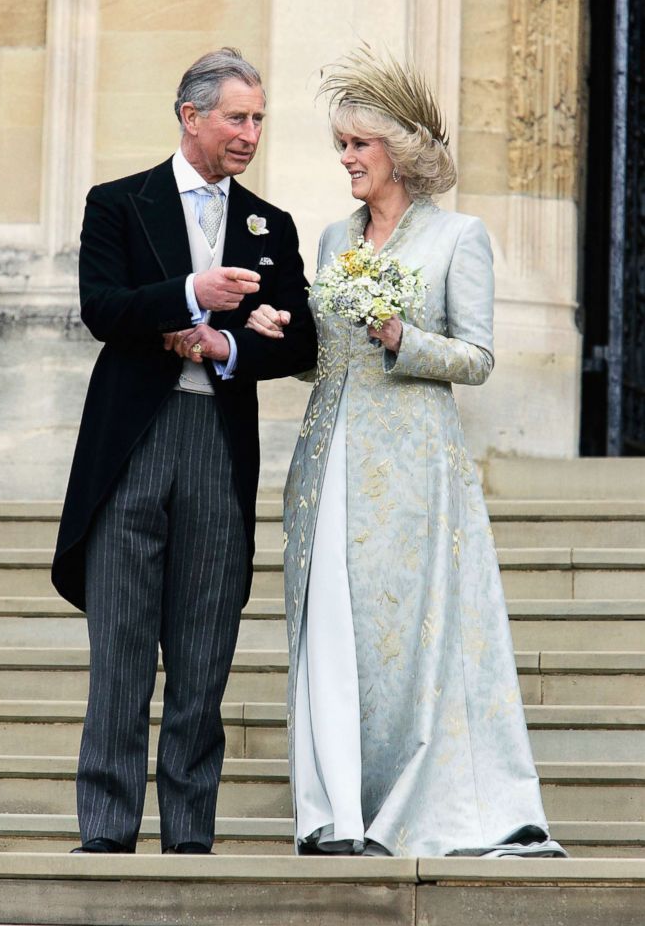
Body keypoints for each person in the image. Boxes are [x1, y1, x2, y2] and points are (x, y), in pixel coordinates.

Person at [245, 48, 566, 858]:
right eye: (341, 146)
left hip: (415, 470)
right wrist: (278, 331)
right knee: (332, 630)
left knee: (404, 636)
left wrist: (402, 337)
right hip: (327, 460)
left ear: (401, 151)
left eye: (359, 145)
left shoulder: (459, 236)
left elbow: (479, 359)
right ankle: (335, 812)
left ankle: (408, 799)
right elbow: (325, 353)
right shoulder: (328, 238)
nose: (346, 159)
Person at [52, 47, 317, 855]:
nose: (249, 133)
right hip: (131, 444)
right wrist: (188, 296)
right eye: (236, 117)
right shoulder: (118, 203)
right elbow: (102, 307)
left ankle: (191, 838)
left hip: (216, 444)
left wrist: (231, 344)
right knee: (122, 653)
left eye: (258, 119)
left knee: (204, 654)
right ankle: (105, 835)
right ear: (190, 116)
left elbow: (300, 335)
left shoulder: (272, 223)